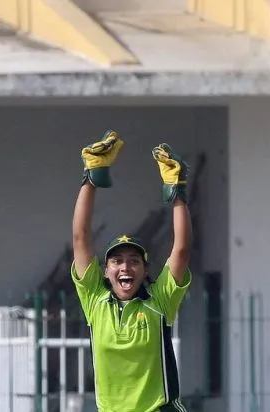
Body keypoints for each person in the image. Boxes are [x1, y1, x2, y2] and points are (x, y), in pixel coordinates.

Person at [70, 130, 194, 412]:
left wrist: (178, 192)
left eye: (134, 261)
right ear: (104, 271)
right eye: (117, 261)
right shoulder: (94, 301)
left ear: (145, 269)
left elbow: (182, 249)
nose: (125, 266)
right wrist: (91, 177)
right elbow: (80, 237)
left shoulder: (160, 299)